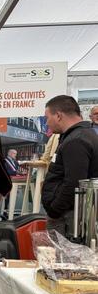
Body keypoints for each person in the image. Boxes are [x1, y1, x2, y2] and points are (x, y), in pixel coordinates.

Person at [42, 94, 98, 237]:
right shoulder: (83, 135)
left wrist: (55, 211)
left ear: (58, 116)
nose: (46, 123)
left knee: (63, 258)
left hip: (68, 218)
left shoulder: (75, 141)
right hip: (72, 214)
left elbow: (73, 183)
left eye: (47, 117)